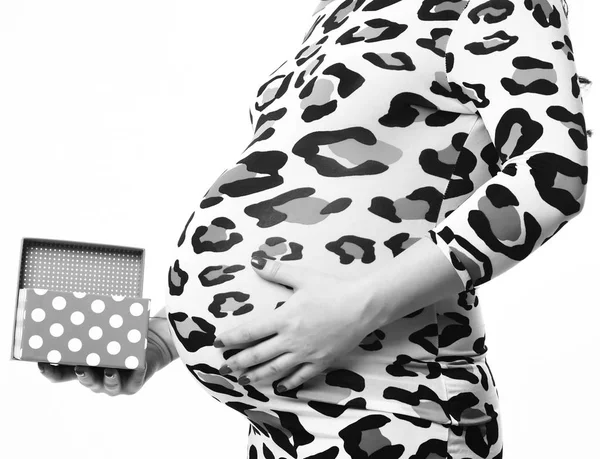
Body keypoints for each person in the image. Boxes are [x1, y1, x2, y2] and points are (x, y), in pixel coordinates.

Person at [40, 0, 591, 457]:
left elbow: (552, 172)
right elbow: (313, 191)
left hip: (395, 404)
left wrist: (362, 304)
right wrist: (165, 336)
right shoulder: (338, 10)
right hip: (278, 425)